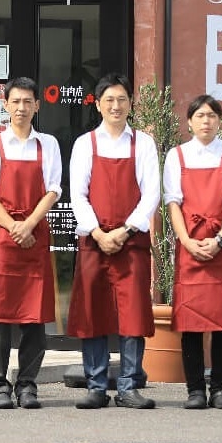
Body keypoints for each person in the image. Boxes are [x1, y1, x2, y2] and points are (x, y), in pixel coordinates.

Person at [67, 73, 160, 410]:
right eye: (109, 100)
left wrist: (126, 230)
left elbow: (152, 193)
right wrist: (97, 232)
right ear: (97, 104)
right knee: (94, 311)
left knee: (132, 313)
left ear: (131, 103)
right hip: (94, 241)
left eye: (122, 99)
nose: (116, 106)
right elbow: (77, 193)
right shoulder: (85, 144)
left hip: (130, 242)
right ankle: (95, 384)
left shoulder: (144, 144)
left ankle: (129, 385)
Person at [0, 76, 62, 410]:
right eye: (16, 102)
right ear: (6, 105)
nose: (22, 108)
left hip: (34, 234)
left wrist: (29, 224)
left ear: (37, 106)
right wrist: (13, 225)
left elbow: (53, 189)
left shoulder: (48, 144)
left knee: (33, 316)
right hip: (3, 236)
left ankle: (27, 384)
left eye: (29, 102)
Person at [164, 94, 222, 411]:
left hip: (221, 247)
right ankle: (195, 389)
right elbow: (173, 201)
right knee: (190, 322)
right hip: (189, 246)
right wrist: (185, 240)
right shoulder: (177, 156)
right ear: (189, 121)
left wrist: (220, 239)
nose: (206, 120)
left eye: (212, 115)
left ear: (220, 121)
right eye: (199, 115)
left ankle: (221, 388)